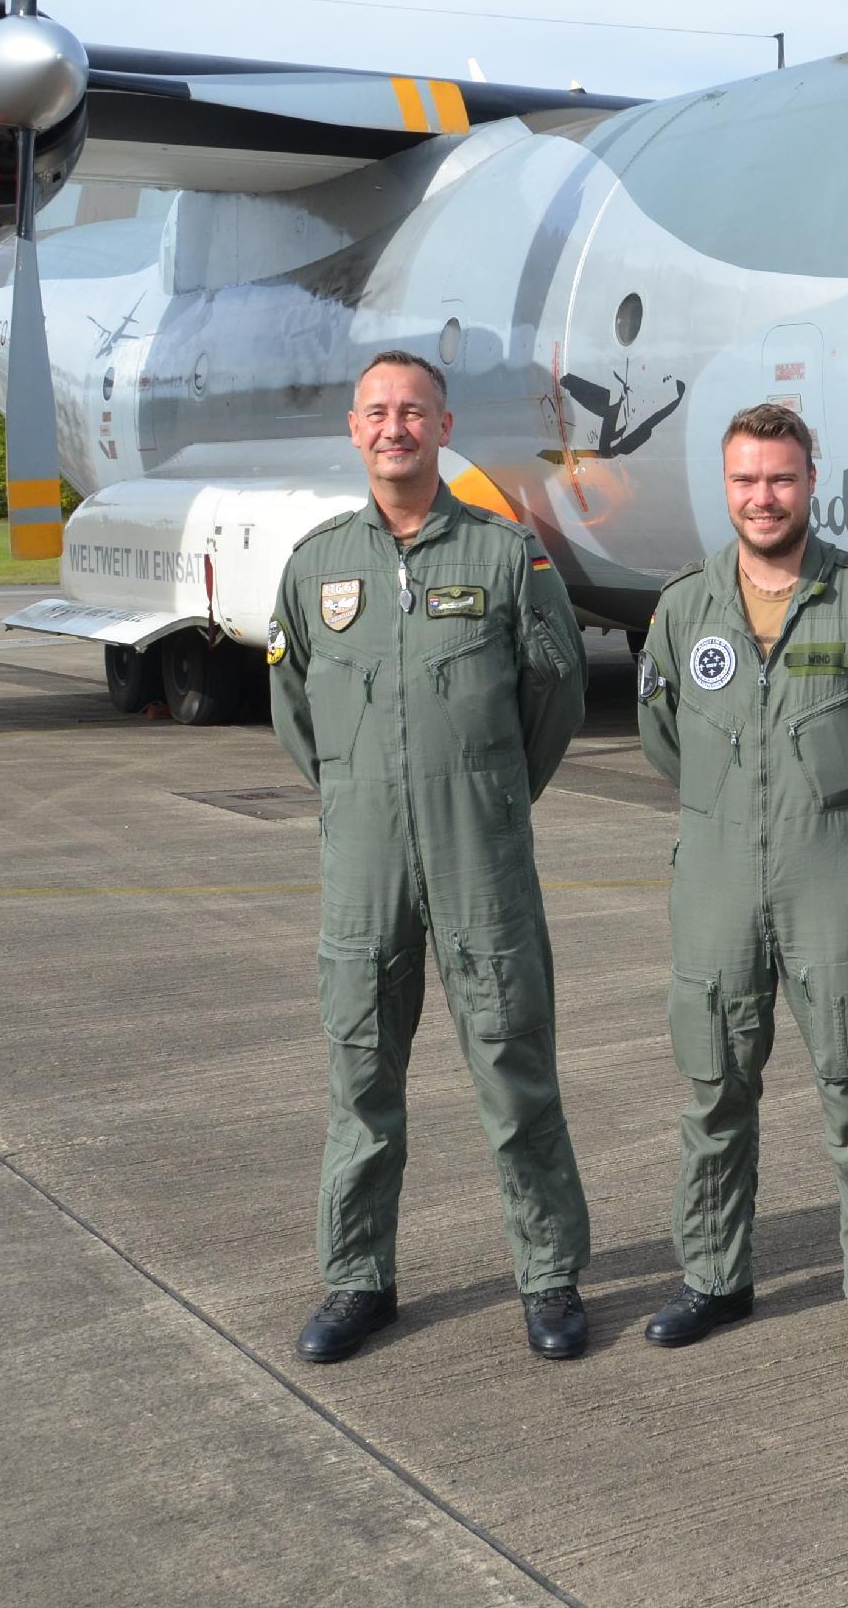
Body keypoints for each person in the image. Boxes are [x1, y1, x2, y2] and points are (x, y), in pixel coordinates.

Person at [268, 351, 594, 1366]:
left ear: (445, 426)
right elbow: (297, 716)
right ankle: (358, 1278)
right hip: (365, 869)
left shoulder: (507, 558)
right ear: (354, 430)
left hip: (480, 861)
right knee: (362, 1079)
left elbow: (556, 696)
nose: (394, 427)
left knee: (514, 1070)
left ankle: (547, 1276)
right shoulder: (316, 565)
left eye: (413, 410)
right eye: (377, 411)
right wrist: (365, 799)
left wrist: (488, 800)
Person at [635, 403, 848, 1364]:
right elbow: (664, 737)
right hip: (718, 875)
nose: (762, 497)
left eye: (780, 478)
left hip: (832, 874)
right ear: (724, 487)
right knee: (715, 1085)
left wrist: (843, 807)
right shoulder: (685, 604)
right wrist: (731, 807)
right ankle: (713, 1275)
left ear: (812, 479)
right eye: (745, 480)